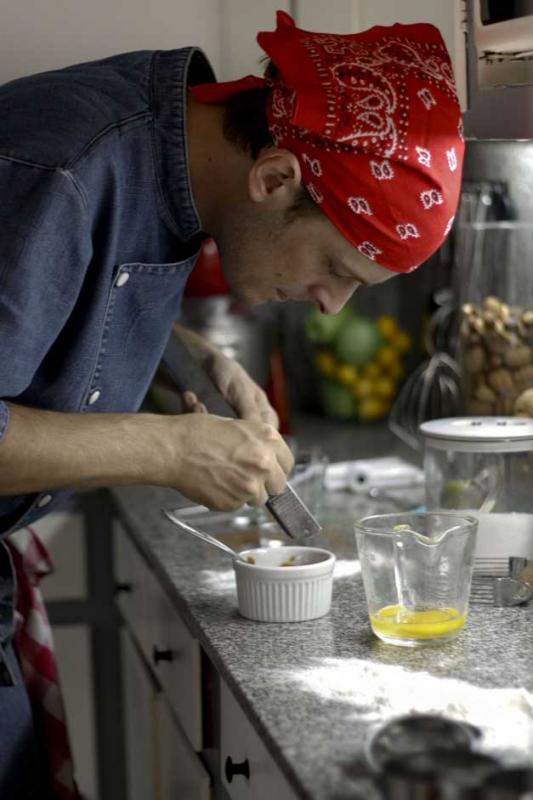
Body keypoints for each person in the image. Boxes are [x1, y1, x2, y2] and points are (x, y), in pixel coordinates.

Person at [0, 10, 464, 798]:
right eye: (335, 268)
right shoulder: (63, 165)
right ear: (276, 177)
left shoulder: (174, 154)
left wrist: (195, 358)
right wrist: (171, 451)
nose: (328, 306)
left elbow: (59, 293)